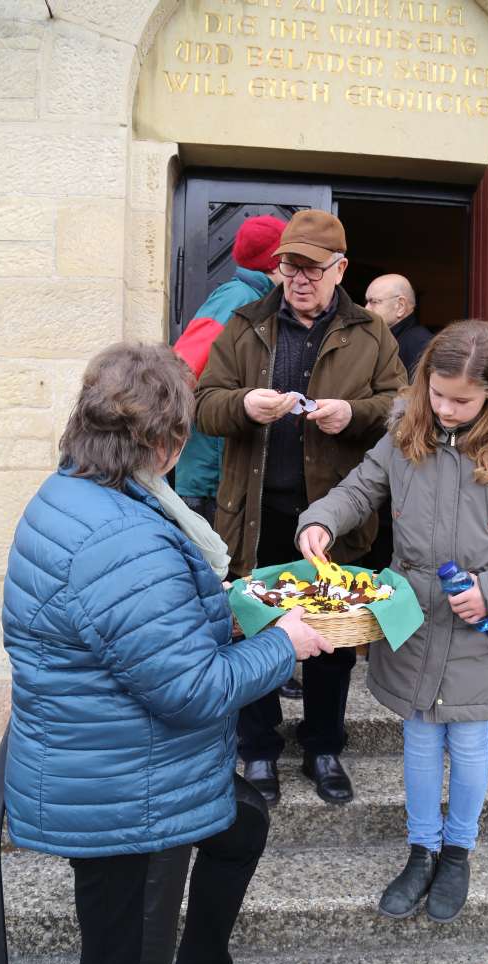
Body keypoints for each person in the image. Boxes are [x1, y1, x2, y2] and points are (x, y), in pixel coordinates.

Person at [2, 343, 331, 964]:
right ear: (162, 440)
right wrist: (287, 644)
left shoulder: (80, 492)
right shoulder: (123, 535)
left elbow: (143, 622)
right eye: (184, 435)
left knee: (241, 826)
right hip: (127, 791)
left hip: (118, 755)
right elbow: (193, 688)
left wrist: (236, 607)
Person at [298, 320, 488, 923]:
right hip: (412, 617)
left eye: (461, 400)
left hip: (481, 628)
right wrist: (321, 519)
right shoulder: (405, 425)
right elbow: (360, 488)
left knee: (469, 743)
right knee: (419, 738)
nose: (445, 408)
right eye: (438, 394)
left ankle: (458, 852)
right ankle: (421, 850)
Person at [196, 209, 407, 806]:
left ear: (340, 270)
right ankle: (257, 750)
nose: (299, 278)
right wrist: (242, 405)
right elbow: (202, 404)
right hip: (255, 514)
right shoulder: (244, 322)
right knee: (256, 629)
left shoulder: (371, 333)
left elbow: (400, 408)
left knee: (333, 640)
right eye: (290, 265)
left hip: (333, 519)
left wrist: (353, 415)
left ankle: (323, 747)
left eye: (313, 267)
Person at [173, 214, 302, 701]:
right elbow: (182, 369)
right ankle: (243, 673)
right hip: (210, 475)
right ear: (276, 262)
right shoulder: (239, 302)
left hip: (214, 470)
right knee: (224, 585)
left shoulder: (245, 297)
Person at [365, 273, 433, 378]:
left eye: (374, 302)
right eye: (367, 302)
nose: (366, 309)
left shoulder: (420, 346)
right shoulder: (387, 339)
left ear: (400, 306)